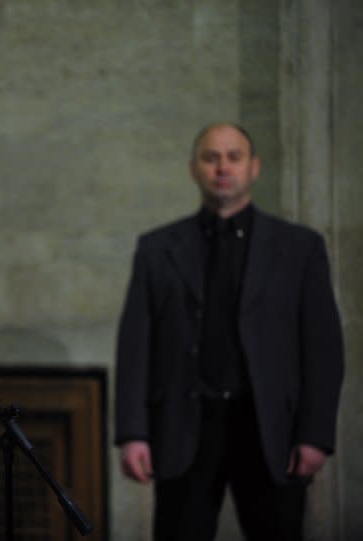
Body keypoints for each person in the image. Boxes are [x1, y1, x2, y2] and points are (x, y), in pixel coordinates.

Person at [114, 122, 344, 540]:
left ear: (254, 167)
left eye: (234, 157)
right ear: (193, 169)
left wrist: (315, 434)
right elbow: (135, 347)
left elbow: (324, 347)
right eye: (211, 157)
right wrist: (132, 433)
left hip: (270, 430)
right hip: (185, 428)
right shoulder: (156, 249)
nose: (223, 167)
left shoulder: (300, 248)